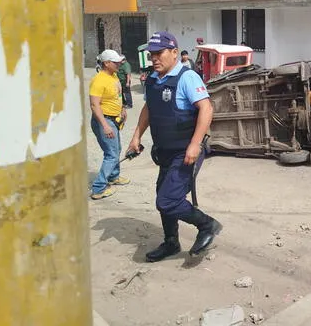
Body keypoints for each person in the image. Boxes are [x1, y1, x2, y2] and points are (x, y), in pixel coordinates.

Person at [128, 31, 219, 261]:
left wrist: (195, 144)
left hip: (185, 151)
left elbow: (206, 109)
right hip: (164, 152)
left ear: (175, 53)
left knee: (167, 200)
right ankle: (171, 242)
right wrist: (136, 136)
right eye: (151, 55)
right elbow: (149, 109)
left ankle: (207, 225)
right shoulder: (152, 80)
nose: (154, 58)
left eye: (159, 53)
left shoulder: (187, 77)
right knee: (164, 198)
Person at [89, 50, 130, 200]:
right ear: (107, 63)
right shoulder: (98, 80)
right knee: (111, 154)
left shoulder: (112, 76)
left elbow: (118, 94)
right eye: (116, 62)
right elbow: (94, 105)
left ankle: (113, 176)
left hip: (114, 119)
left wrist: (122, 109)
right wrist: (105, 125)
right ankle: (98, 188)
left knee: (116, 149)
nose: (119, 64)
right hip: (104, 120)